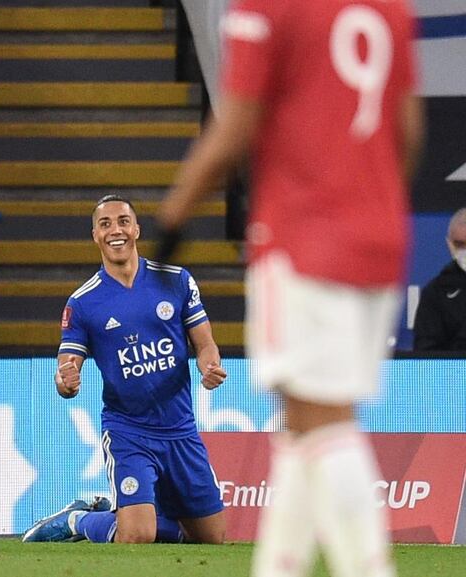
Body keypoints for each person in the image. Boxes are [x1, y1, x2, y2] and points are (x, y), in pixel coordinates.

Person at [156, 1, 424, 576]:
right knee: (304, 423)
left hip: (304, 241)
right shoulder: (389, 8)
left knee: (324, 422)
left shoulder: (267, 6)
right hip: (378, 240)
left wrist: (173, 215)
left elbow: (236, 127)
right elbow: (408, 131)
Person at [22, 195, 228, 544]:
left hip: (180, 430)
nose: (115, 230)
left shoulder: (176, 280)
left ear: (136, 229)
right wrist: (66, 380)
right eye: (105, 224)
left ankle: (117, 510)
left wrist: (209, 365)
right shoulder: (83, 302)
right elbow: (65, 370)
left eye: (122, 221)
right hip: (128, 432)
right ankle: (77, 520)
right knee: (136, 536)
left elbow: (205, 344)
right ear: (95, 236)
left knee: (212, 540)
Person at [413, 208, 466, 351]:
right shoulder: (435, 293)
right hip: (454, 372)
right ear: (449, 244)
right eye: (460, 244)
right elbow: (426, 355)